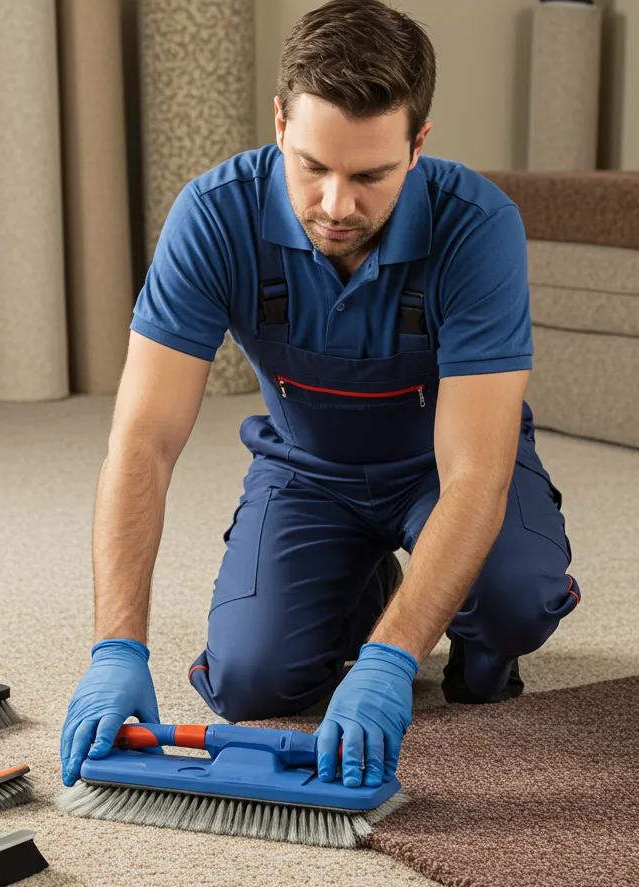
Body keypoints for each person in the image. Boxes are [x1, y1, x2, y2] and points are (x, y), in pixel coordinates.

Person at [60, 0, 579, 792]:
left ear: (418, 145)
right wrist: (116, 647)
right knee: (251, 683)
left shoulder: (477, 227)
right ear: (279, 123)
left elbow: (478, 473)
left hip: (441, 470)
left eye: (370, 175)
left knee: (515, 599)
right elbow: (143, 441)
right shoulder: (212, 217)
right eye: (313, 166)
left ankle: (476, 642)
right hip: (307, 473)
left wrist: (391, 662)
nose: (337, 205)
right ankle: (364, 583)